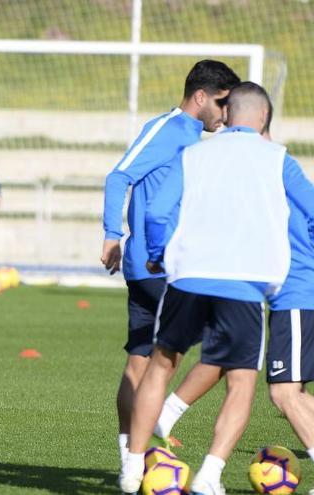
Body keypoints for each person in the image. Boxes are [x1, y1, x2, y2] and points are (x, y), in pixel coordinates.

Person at [120, 82, 314, 495]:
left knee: (161, 364)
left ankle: (132, 467)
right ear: (263, 118)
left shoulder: (194, 154)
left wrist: (158, 253)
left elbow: (155, 210)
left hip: (188, 275)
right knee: (242, 381)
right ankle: (209, 474)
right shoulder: (277, 160)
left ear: (225, 115)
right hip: (244, 282)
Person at [100, 60, 240, 466]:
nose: (227, 112)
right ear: (201, 97)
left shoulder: (193, 137)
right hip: (158, 266)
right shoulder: (169, 129)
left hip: (164, 265)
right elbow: (118, 176)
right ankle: (163, 415)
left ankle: (131, 458)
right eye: (222, 102)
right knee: (228, 339)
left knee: (141, 359)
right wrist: (113, 234)